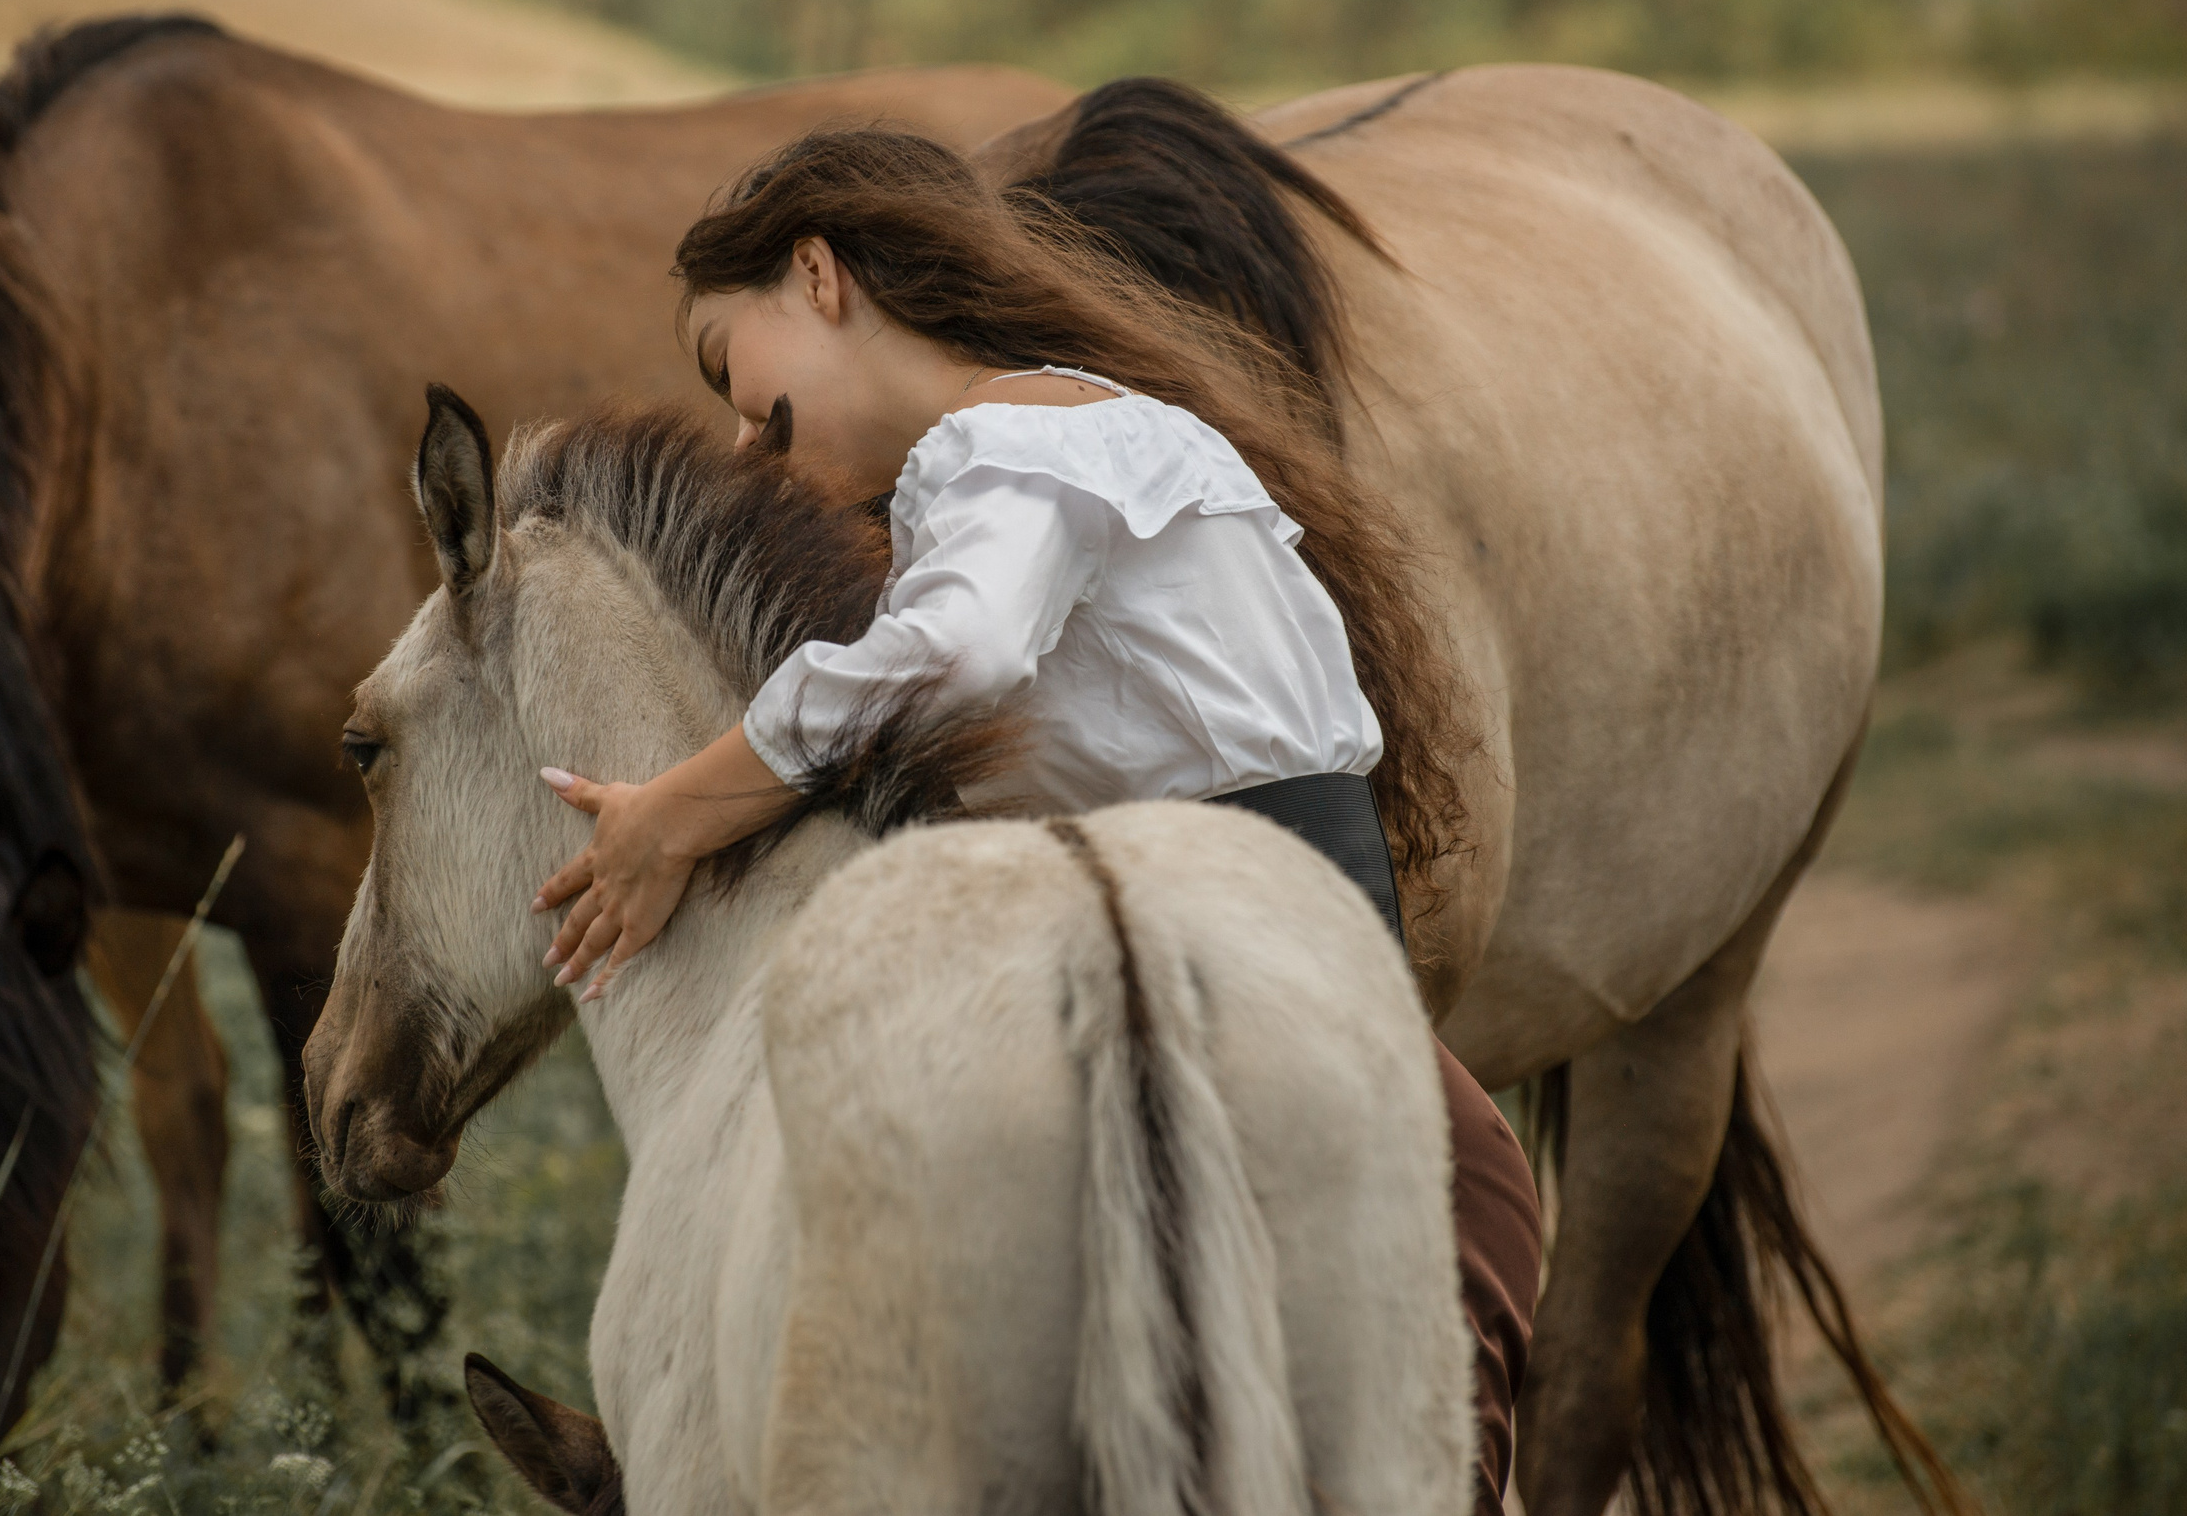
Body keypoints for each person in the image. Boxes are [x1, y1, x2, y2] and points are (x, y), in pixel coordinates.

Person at [530, 125, 1540, 1513]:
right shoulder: (1080, 435)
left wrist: (677, 812)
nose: (739, 431)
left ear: (817, 276)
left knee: (1478, 1208)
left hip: (1240, 923)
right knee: (1478, 1234)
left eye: (732, 367)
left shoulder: (1004, 443)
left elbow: (957, 655)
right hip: (1291, 929)